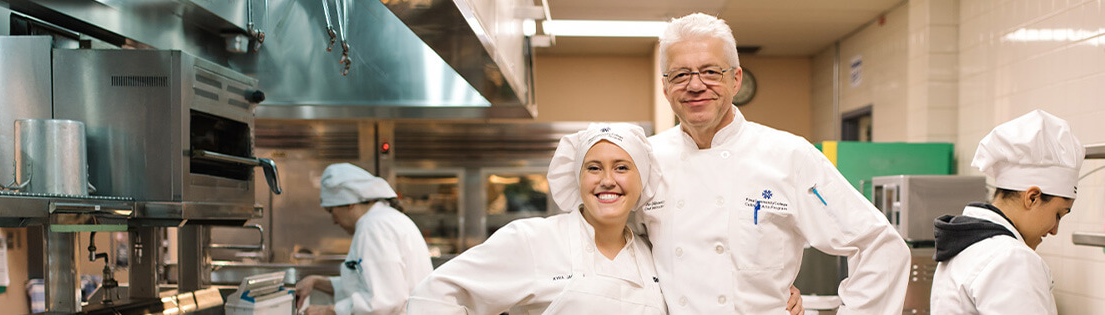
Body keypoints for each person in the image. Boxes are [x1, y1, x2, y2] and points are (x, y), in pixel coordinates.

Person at [636, 13, 910, 314]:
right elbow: (615, 250)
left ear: (735, 79)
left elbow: (880, 245)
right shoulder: (645, 160)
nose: (696, 85)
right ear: (665, 88)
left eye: (711, 72)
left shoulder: (789, 157)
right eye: (680, 75)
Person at [407, 123, 668, 314]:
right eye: (593, 168)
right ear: (578, 179)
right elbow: (433, 296)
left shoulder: (652, 255)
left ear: (642, 178)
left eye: (622, 167)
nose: (607, 180)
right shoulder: (534, 240)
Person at [930, 110, 1083, 314]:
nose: (1055, 230)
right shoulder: (1011, 259)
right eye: (1058, 214)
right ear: (1032, 197)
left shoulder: (966, 243)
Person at [295, 163, 434, 315]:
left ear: (350, 204)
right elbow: (371, 285)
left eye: (331, 211)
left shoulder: (374, 227)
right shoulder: (385, 218)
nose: (334, 220)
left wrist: (328, 311)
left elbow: (385, 299)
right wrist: (317, 281)